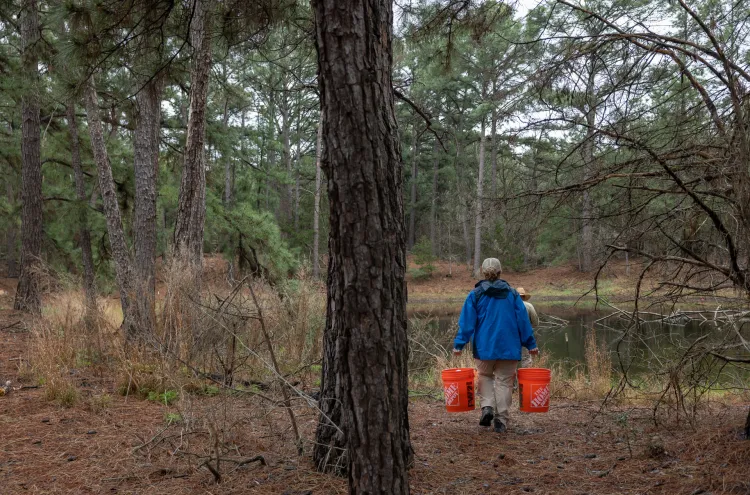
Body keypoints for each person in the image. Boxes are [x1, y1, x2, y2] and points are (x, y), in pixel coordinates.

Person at [453, 258, 538, 433]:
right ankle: (501, 420)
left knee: (485, 376)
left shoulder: (475, 294)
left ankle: (487, 407)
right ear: (500, 272)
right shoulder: (513, 294)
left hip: (484, 348)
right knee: (505, 382)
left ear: (483, 273)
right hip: (509, 347)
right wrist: (530, 344)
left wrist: (459, 345)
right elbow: (523, 322)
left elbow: (467, 323)